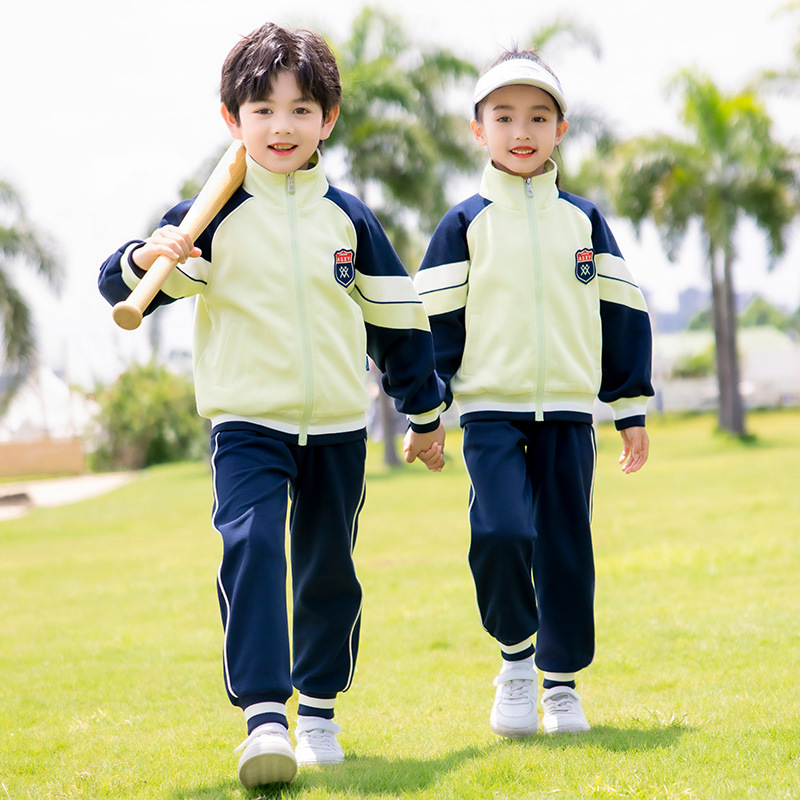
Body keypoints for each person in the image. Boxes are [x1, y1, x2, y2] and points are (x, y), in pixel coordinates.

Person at [98, 22, 445, 788]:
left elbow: (396, 319)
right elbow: (125, 287)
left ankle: (317, 712)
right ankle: (264, 719)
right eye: (261, 110)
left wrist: (423, 415)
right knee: (252, 547)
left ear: (327, 119)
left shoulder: (348, 219)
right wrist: (143, 259)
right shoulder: (209, 218)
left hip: (337, 429)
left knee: (328, 569)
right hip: (246, 421)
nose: (280, 126)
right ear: (233, 121)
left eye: (299, 110)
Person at [414, 49, 653, 737]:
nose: (523, 130)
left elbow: (621, 314)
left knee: (566, 549)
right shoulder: (462, 225)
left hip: (569, 416)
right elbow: (434, 328)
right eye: (506, 116)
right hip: (489, 411)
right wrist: (425, 411)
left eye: (539, 117)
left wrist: (629, 408)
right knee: (501, 533)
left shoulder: (585, 222)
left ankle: (562, 686)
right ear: (478, 129)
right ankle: (516, 660)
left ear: (561, 129)